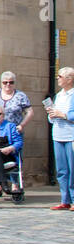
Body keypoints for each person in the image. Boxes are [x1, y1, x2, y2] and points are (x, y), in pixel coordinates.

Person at [46, 67, 74, 210]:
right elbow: (53, 118)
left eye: (60, 76)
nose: (58, 79)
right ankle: (65, 200)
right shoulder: (59, 95)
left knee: (72, 169)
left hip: (71, 136)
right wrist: (51, 115)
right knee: (62, 170)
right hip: (58, 135)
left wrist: (61, 114)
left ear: (69, 79)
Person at [0, 72, 33, 137]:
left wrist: (22, 125)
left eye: (11, 82)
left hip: (13, 132)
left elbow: (30, 112)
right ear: (1, 83)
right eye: (5, 82)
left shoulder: (21, 96)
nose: (8, 84)